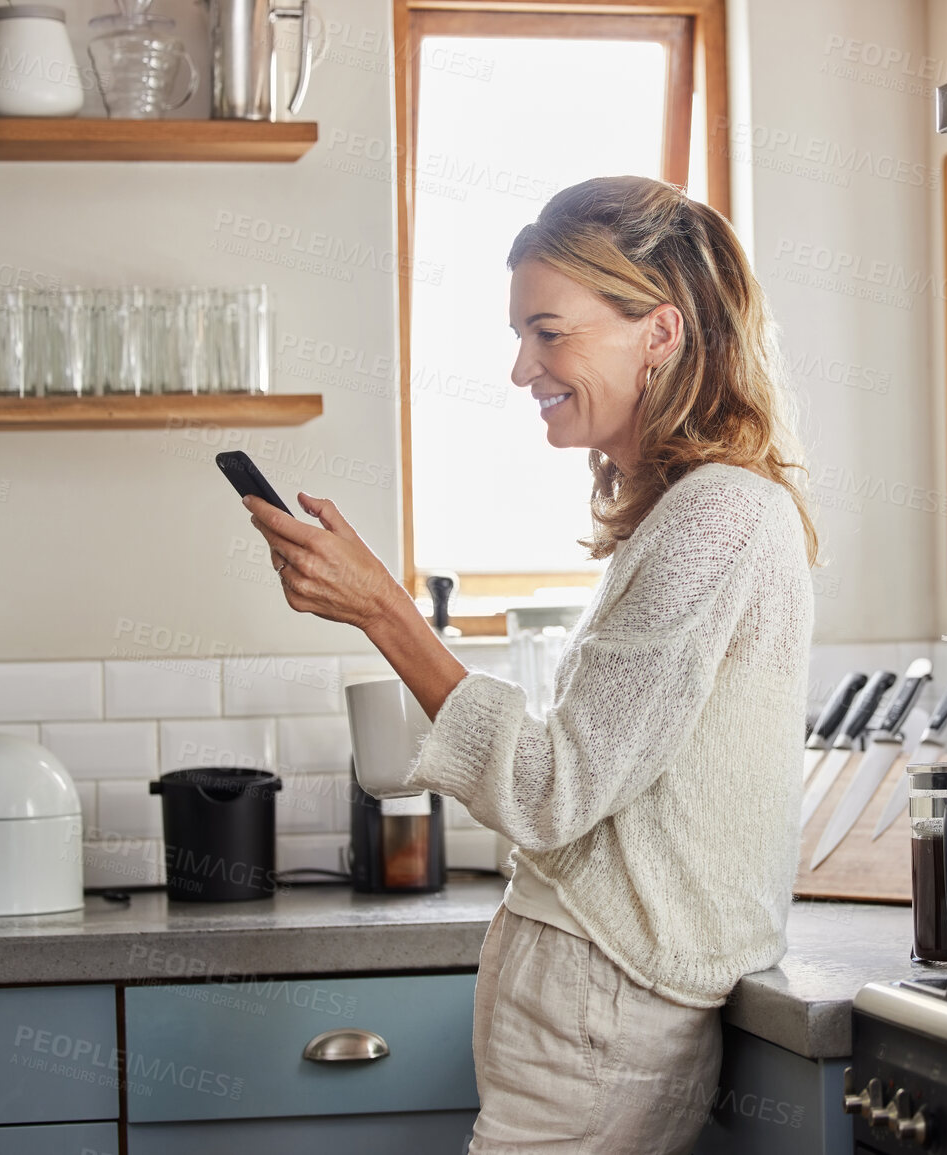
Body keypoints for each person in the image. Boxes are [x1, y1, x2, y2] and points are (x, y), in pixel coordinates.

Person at [242, 175, 817, 1153]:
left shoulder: (718, 518)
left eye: (549, 332)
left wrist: (384, 609)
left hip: (608, 1009)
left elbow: (553, 791)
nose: (522, 368)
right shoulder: (696, 512)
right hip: (598, 1005)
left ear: (661, 333)